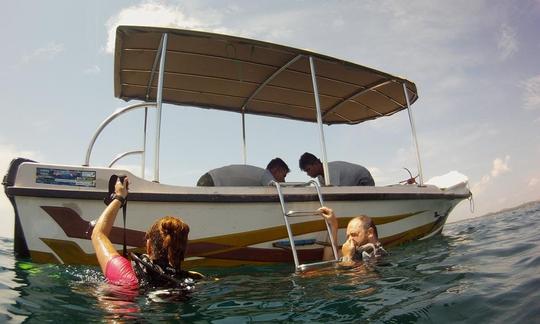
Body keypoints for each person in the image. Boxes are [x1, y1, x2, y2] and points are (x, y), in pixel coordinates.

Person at [91, 177, 202, 288]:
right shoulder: (189, 281)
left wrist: (120, 196)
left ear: (149, 246)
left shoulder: (125, 273)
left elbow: (98, 234)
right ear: (183, 250)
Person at [318, 206, 386, 266]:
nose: (349, 240)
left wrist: (348, 256)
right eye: (348, 236)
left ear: (370, 232)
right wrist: (333, 224)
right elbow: (328, 261)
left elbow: (358, 278)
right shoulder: (357, 250)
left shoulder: (377, 254)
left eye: (354, 235)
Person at [197, 158, 290, 186]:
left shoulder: (259, 174)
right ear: (276, 170)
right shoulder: (266, 175)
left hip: (208, 178)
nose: (284, 180)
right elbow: (276, 192)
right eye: (284, 175)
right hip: (211, 182)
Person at [298, 152, 375, 186]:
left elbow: (332, 192)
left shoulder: (330, 169)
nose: (308, 174)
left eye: (308, 170)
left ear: (316, 163)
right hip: (352, 185)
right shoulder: (320, 177)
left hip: (364, 181)